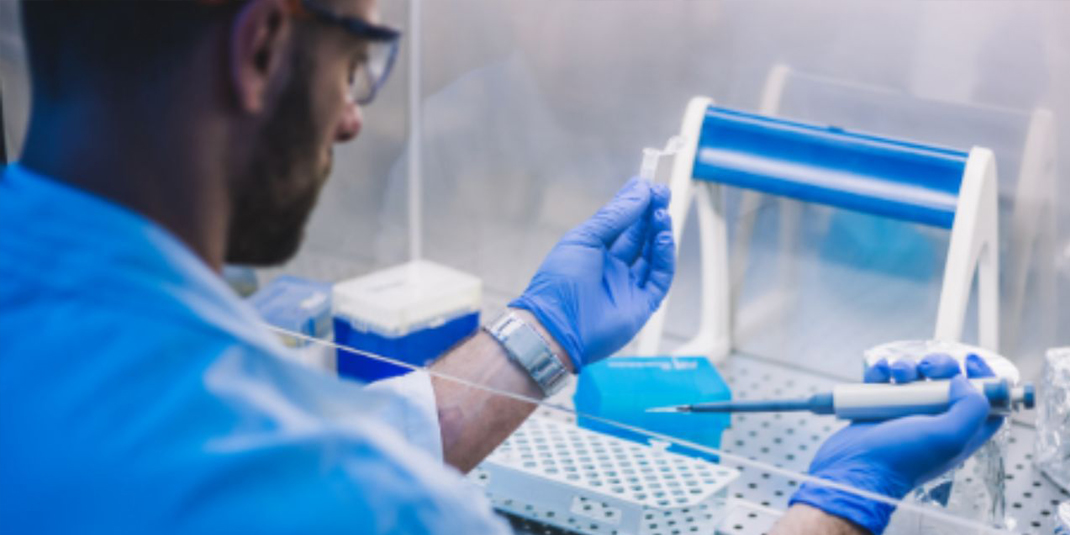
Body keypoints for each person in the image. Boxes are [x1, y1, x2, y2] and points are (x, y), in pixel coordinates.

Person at [0, 0, 1000, 534]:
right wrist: (839, 502)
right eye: (355, 62)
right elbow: (310, 474)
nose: (353, 115)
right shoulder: (359, 503)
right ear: (261, 46)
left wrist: (533, 339)